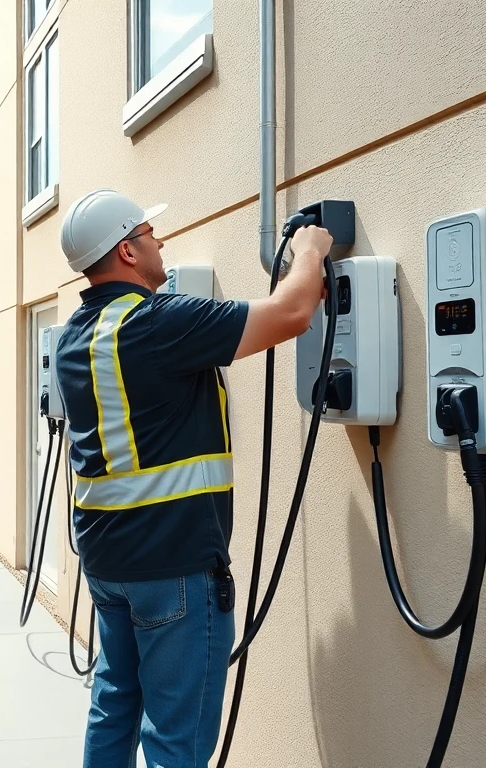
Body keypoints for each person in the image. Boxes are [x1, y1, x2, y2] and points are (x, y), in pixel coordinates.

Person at [54, 189, 331, 767]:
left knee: (114, 703)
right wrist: (310, 250)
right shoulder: (159, 324)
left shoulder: (76, 335)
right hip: (173, 569)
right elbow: (291, 313)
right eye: (151, 234)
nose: (161, 242)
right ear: (128, 251)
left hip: (109, 565)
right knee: (175, 741)